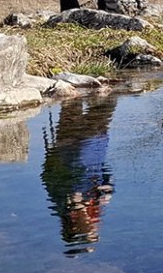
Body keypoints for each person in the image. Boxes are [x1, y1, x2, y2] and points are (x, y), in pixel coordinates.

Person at [41, 95, 117, 254]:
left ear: (75, 227)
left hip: (73, 145)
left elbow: (48, 176)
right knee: (107, 100)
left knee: (73, 102)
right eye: (93, 230)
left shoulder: (61, 203)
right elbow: (103, 173)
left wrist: (74, 195)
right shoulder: (94, 209)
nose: (93, 226)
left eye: (89, 230)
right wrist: (108, 188)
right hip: (98, 140)